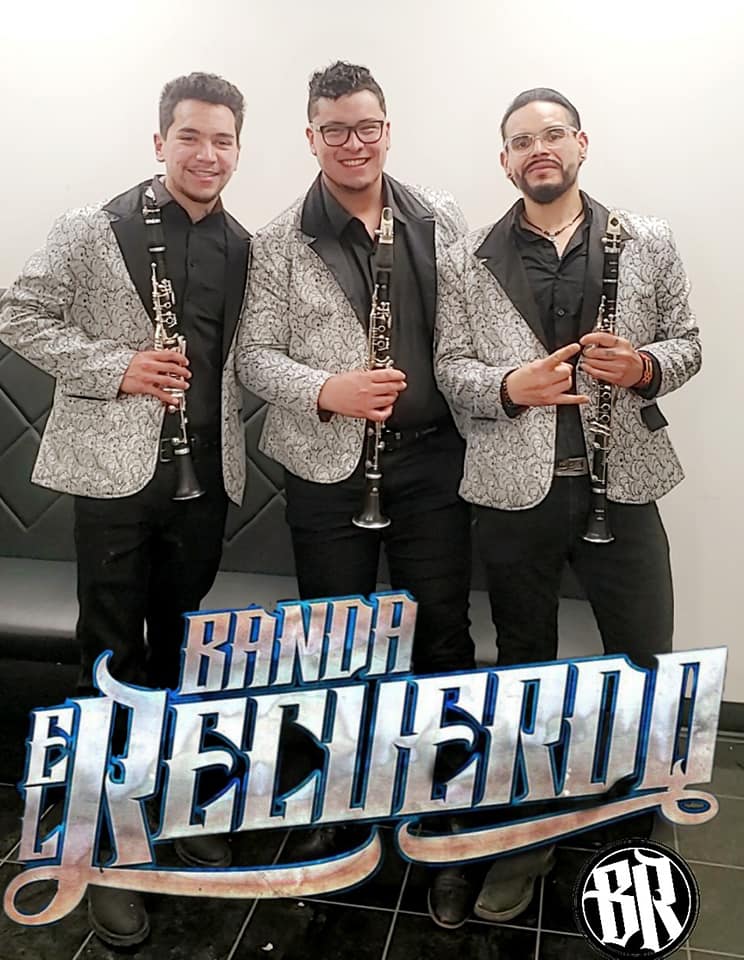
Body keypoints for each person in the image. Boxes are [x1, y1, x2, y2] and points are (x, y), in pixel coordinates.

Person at [434, 87, 701, 924]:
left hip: (624, 484)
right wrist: (508, 386)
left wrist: (647, 367)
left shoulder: (647, 241)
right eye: (522, 140)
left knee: (644, 658)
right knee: (525, 662)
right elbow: (450, 369)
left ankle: (639, 820)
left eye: (553, 134)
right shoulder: (465, 259)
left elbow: (688, 343)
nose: (538, 148)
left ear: (581, 144)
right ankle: (530, 833)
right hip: (516, 493)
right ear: (505, 161)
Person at [0, 71, 250, 947]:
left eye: (223, 140)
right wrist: (119, 368)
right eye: (190, 136)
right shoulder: (91, 226)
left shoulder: (244, 243)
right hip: (113, 476)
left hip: (205, 475)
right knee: (108, 653)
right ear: (159, 142)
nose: (207, 154)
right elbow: (17, 314)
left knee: (179, 649)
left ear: (238, 149)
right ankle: (96, 841)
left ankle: (165, 807)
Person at [236, 60, 475, 926]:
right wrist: (326, 389)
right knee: (332, 642)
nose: (353, 143)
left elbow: (471, 331)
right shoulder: (277, 241)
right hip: (327, 471)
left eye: (367, 126)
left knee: (441, 636)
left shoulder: (440, 219)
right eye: (334, 129)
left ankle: (444, 818)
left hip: (431, 464)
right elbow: (253, 357)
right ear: (311, 137)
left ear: (387, 129)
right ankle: (335, 811)